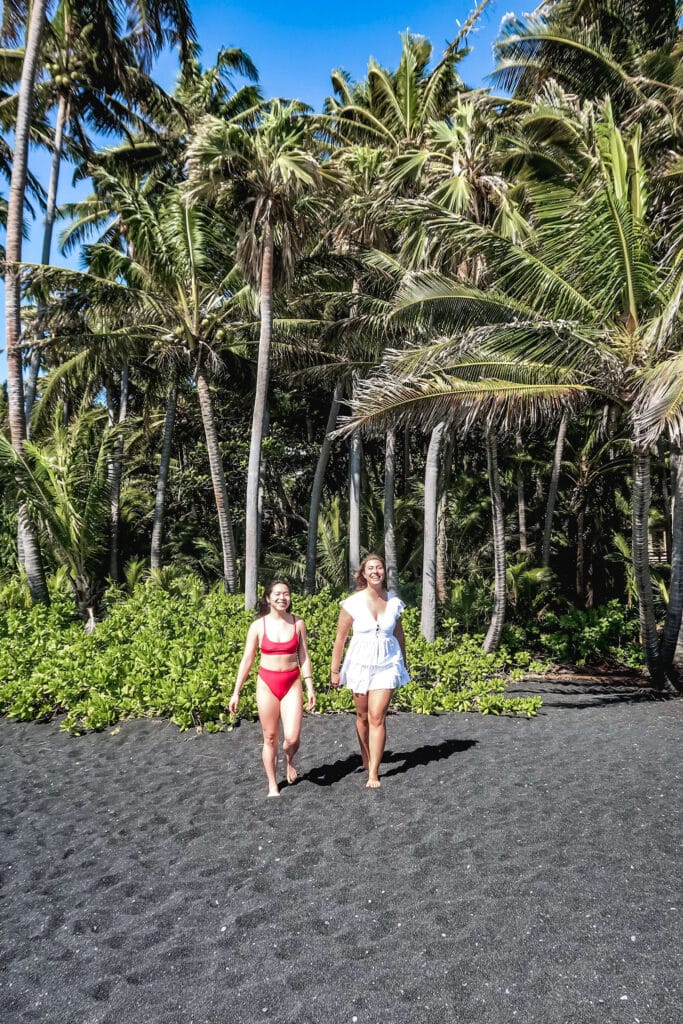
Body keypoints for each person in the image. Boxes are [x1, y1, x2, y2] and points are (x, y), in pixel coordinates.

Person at [330, 554, 409, 789]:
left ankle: (373, 771)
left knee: (377, 716)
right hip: (360, 664)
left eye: (379, 567)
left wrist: (403, 662)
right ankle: (365, 756)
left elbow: (399, 635)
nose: (376, 571)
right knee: (362, 716)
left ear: (384, 572)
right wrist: (335, 671)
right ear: (364, 574)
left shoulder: (394, 602)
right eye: (371, 568)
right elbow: (340, 639)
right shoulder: (352, 603)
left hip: (388, 663)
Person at [229, 581, 315, 797]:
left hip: (292, 682)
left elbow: (303, 656)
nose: (282, 598)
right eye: (277, 594)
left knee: (292, 738)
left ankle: (289, 759)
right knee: (270, 737)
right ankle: (272, 785)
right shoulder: (258, 626)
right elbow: (247, 660)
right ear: (268, 598)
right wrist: (236, 691)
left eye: (286, 594)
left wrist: (310, 686)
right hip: (267, 682)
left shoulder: (298, 623)